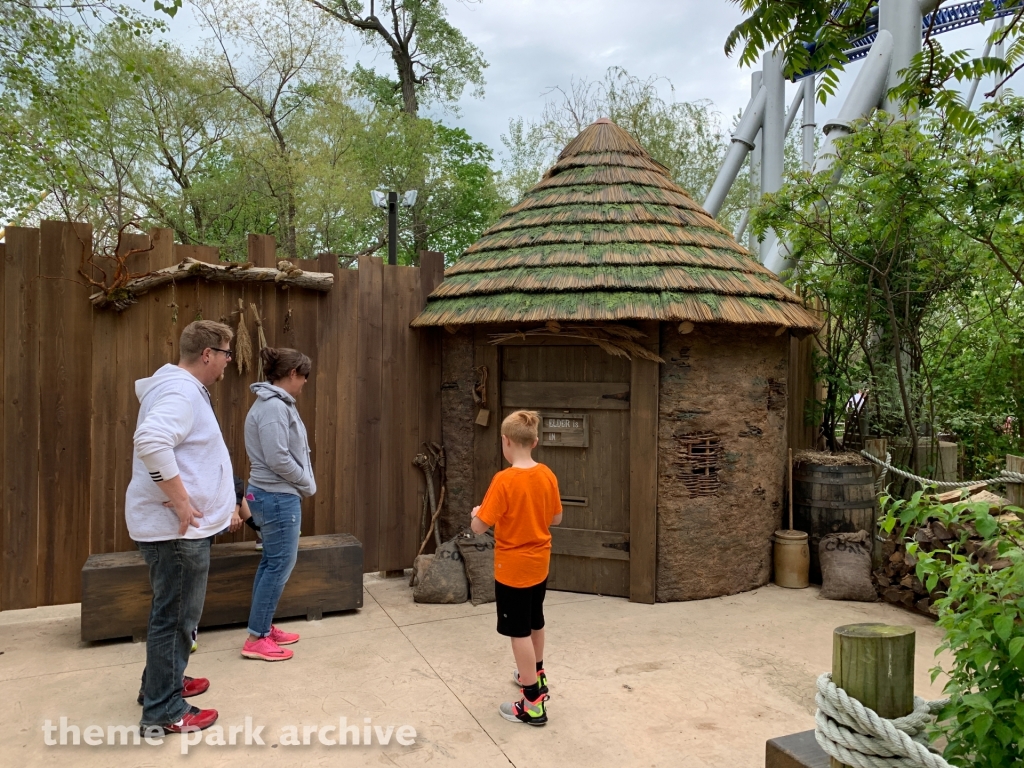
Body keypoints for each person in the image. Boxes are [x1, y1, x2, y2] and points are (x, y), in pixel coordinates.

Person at [127, 320, 236, 734]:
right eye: (226, 354)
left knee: (173, 616)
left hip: (176, 531)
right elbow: (152, 441)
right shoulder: (179, 391)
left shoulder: (176, 388)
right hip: (176, 533)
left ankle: (161, 684)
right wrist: (181, 501)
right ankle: (164, 711)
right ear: (208, 354)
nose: (228, 362)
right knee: (174, 619)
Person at [471, 410, 563, 726]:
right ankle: (536, 673)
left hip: (512, 571)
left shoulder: (503, 480)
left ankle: (532, 703)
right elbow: (556, 519)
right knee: (535, 620)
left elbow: (480, 526)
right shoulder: (547, 475)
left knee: (518, 631)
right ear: (535, 442)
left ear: (505, 442)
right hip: (540, 565)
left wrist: (477, 512)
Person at [241, 347, 316, 662]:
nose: (305, 383)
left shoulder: (273, 404)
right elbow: (278, 457)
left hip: (269, 495)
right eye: (304, 377)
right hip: (277, 497)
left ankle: (263, 627)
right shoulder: (273, 408)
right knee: (279, 565)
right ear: (292, 374)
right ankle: (256, 639)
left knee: (271, 563)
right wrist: (305, 482)